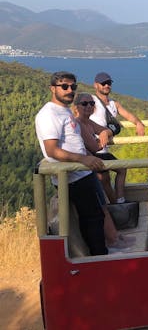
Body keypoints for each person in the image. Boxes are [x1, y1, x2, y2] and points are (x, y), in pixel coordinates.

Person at [35, 71, 107, 255]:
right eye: (64, 86)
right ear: (53, 88)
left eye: (73, 86)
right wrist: (83, 159)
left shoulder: (65, 110)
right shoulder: (49, 114)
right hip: (73, 177)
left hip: (83, 172)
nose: (70, 90)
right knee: (92, 219)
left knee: (95, 216)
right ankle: (98, 259)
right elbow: (52, 150)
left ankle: (98, 255)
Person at [74, 92, 136, 250]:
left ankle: (118, 205)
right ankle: (113, 230)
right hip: (89, 162)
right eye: (84, 104)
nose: (89, 106)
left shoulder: (88, 122)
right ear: (76, 108)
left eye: (91, 103)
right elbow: (94, 147)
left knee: (118, 170)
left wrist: (104, 133)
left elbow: (105, 130)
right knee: (102, 192)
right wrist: (101, 139)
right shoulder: (79, 123)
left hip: (95, 158)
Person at [91, 72, 145, 204]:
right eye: (103, 83)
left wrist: (138, 123)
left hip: (104, 150)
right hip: (93, 148)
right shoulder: (91, 102)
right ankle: (113, 204)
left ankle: (118, 201)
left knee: (120, 170)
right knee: (104, 178)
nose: (106, 85)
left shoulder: (114, 104)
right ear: (96, 85)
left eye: (108, 83)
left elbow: (129, 116)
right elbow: (81, 118)